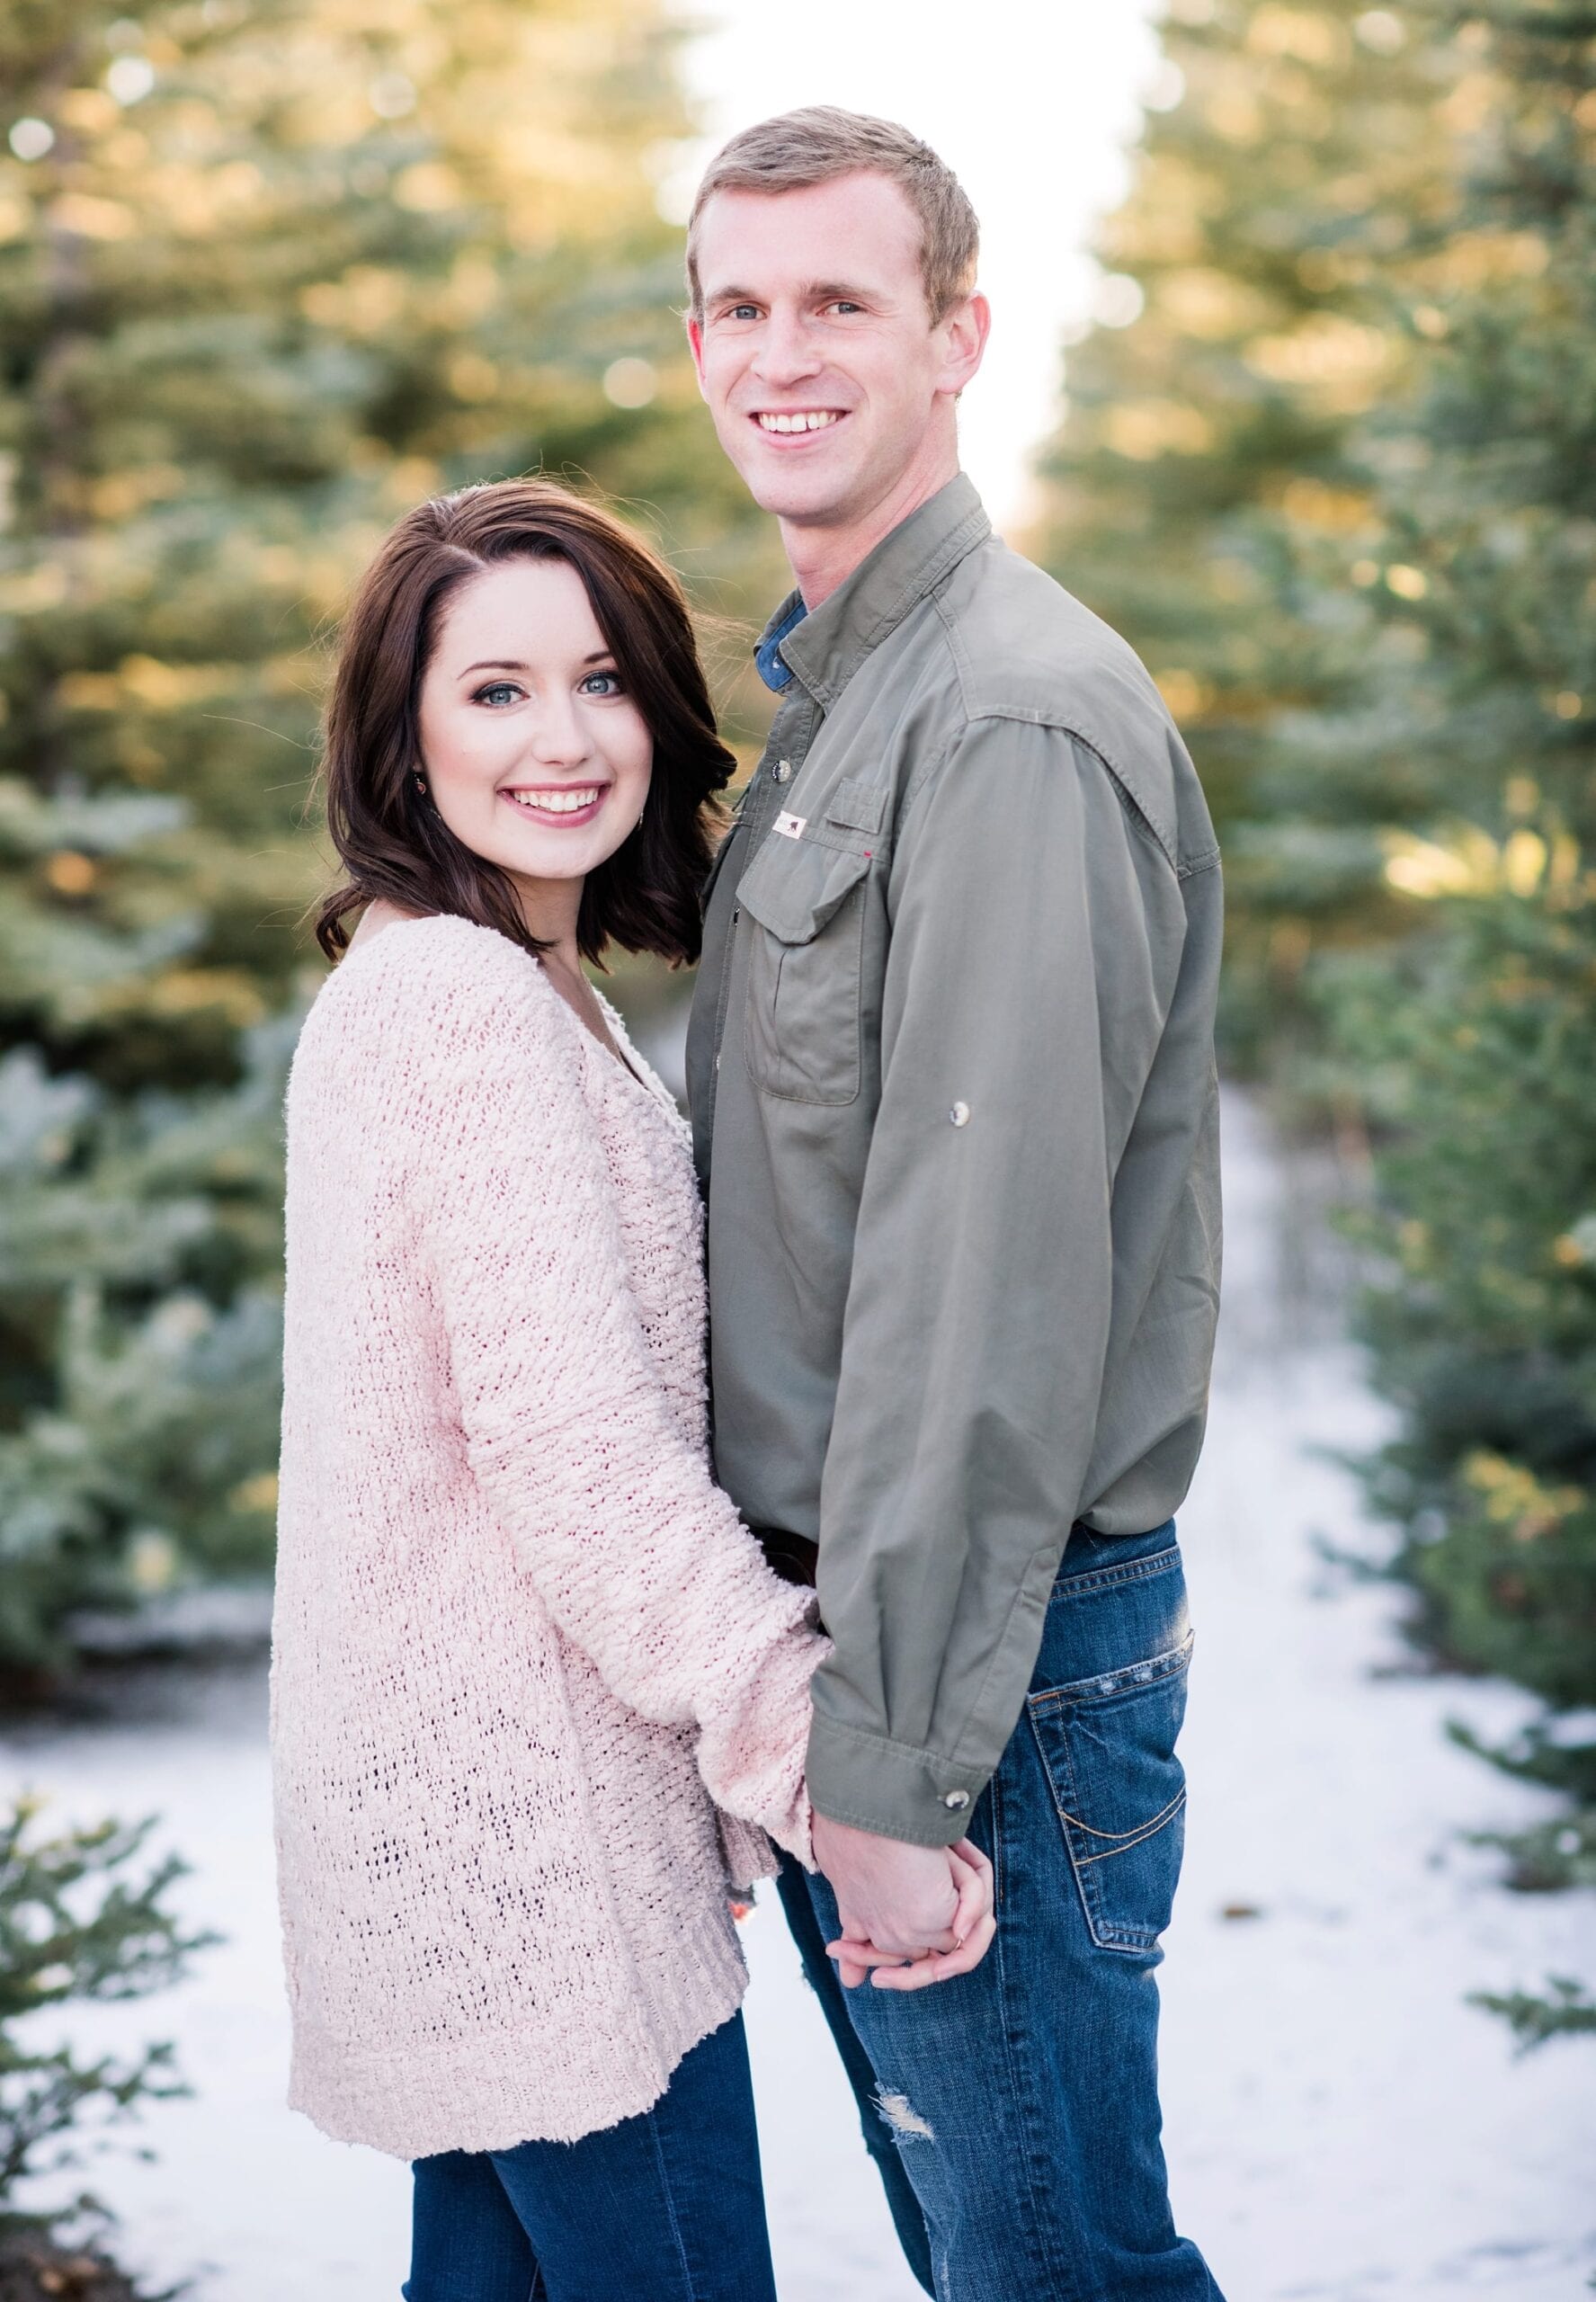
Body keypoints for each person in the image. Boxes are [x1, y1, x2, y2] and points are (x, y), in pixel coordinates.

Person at [270, 477, 995, 2302]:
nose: (565, 735)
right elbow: (575, 1456)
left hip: (478, 1848)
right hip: (536, 1875)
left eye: (599, 678)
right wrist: (822, 1772)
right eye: (495, 689)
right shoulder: (461, 1010)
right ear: (402, 726)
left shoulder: (491, 981)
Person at [682, 108, 1226, 2299]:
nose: (780, 354)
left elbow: (978, 1296)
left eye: (842, 302)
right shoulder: (849, 696)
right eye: (739, 303)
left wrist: (896, 1761)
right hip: (882, 1636)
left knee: (1061, 2276)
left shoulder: (1000, 715)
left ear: (958, 334)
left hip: (977, 1665)